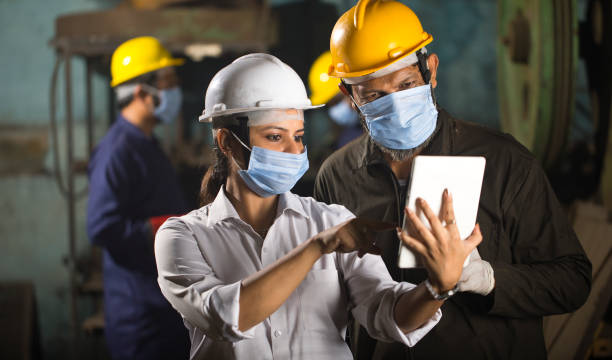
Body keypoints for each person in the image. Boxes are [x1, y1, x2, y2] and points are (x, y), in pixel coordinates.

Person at [313, 0, 592, 359]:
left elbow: (572, 281)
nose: (396, 103)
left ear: (431, 70)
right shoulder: (337, 176)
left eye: (406, 84)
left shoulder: (502, 160)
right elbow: (328, 298)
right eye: (375, 95)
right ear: (348, 96)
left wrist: (489, 279)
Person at [153, 53, 482, 360]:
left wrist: (437, 287)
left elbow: (388, 313)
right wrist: (316, 248)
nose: (294, 150)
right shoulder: (183, 236)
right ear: (226, 142)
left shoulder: (332, 220)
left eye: (298, 136)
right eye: (273, 137)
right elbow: (225, 317)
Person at [87, 36, 190, 360]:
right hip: (140, 317)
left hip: (163, 304)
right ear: (142, 92)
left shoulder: (145, 143)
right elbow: (101, 227)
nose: (175, 92)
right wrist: (157, 228)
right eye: (168, 83)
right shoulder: (118, 150)